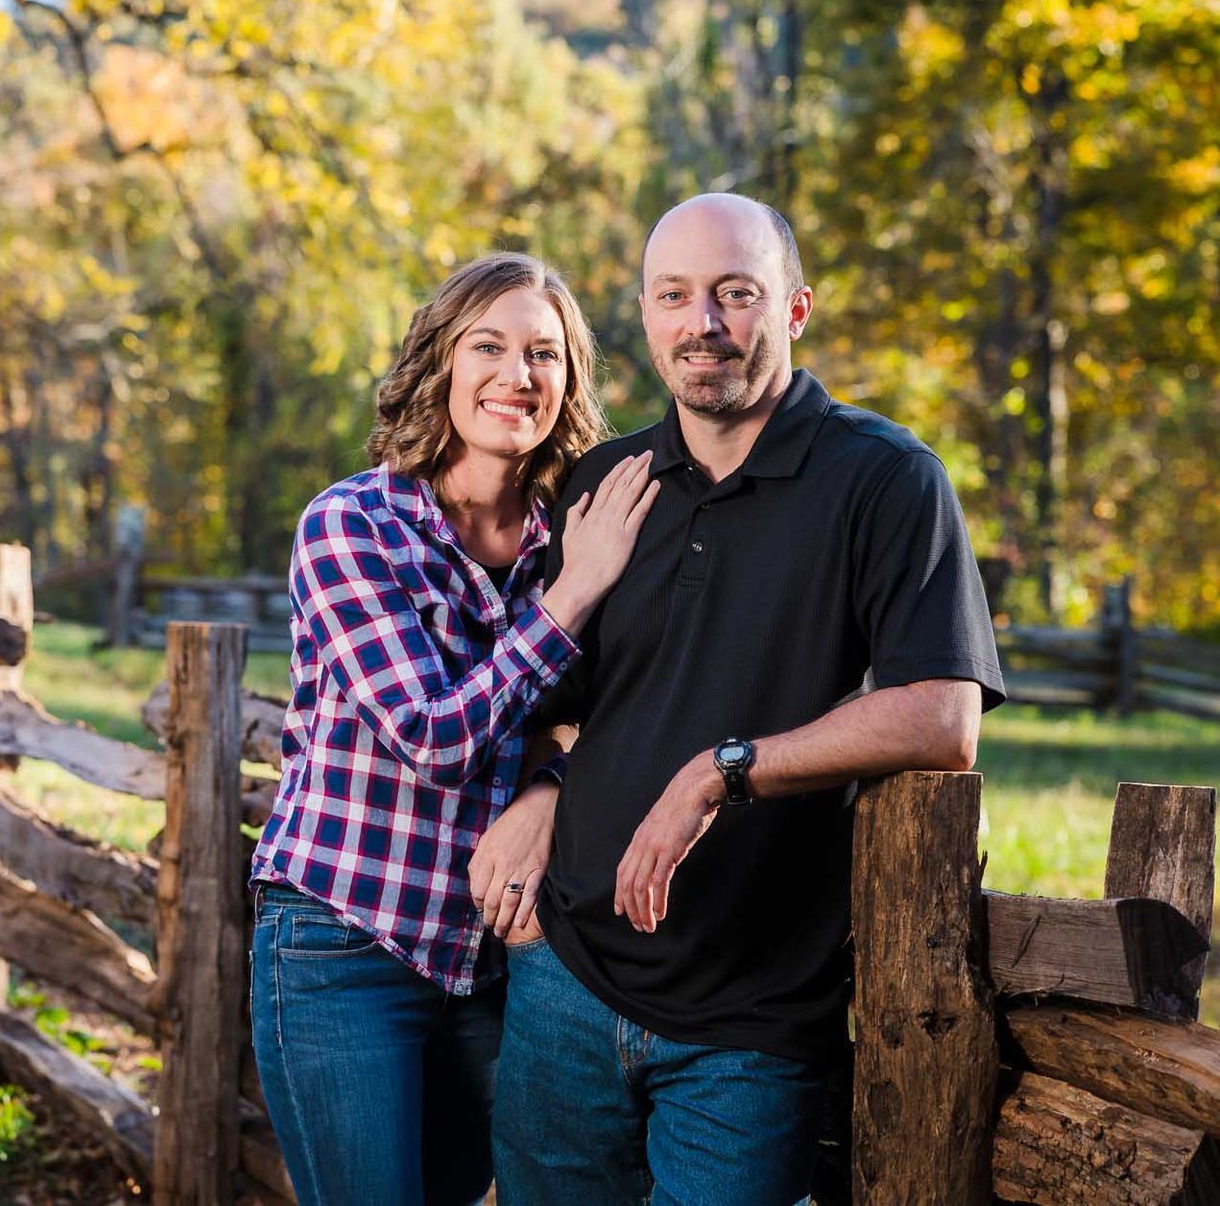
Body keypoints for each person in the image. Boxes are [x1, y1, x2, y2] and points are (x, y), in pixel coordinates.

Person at [492, 193, 1007, 1204]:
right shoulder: (606, 479)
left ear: (795, 308)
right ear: (645, 314)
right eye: (676, 296)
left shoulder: (885, 479)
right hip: (567, 980)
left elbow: (944, 713)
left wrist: (722, 772)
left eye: (736, 293)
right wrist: (547, 788)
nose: (705, 324)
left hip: (753, 1014)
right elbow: (569, 697)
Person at [248, 251, 660, 1205]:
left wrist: (555, 784)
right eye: (490, 346)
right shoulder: (352, 526)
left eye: (545, 355)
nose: (519, 376)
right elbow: (433, 738)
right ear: (441, 362)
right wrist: (574, 597)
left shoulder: (576, 535)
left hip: (489, 959)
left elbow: (629, 711)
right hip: (341, 941)